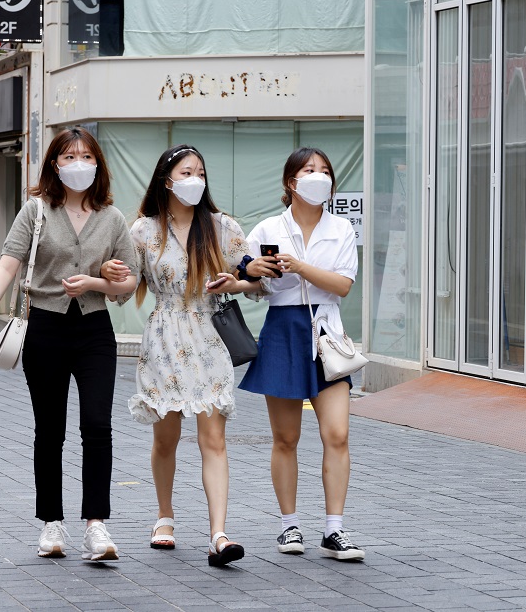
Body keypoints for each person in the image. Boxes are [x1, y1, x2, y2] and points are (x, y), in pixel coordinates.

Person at [0, 126, 138, 561]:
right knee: (50, 430)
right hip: (45, 327)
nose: (78, 164)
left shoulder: (113, 218)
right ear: (54, 165)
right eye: (68, 157)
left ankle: (96, 526)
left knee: (98, 425)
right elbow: (9, 263)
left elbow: (128, 284)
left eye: (85, 156)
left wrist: (101, 280)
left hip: (95, 328)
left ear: (97, 164)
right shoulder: (36, 210)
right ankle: (52, 523)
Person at [102, 144, 259, 567]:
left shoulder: (223, 227)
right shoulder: (144, 231)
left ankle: (219, 534)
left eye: (200, 172)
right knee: (166, 437)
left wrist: (237, 282)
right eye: (187, 171)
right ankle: (164, 516)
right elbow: (125, 284)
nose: (195, 179)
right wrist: (107, 275)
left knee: (214, 438)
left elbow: (254, 278)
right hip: (164, 337)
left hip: (209, 338)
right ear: (166, 180)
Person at [239, 146, 364, 561]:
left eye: (325, 170)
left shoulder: (341, 229)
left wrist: (298, 266)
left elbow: (343, 285)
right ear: (290, 182)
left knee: (337, 434)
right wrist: (245, 276)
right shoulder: (267, 228)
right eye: (310, 170)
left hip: (327, 335)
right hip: (282, 331)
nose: (319, 176)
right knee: (286, 438)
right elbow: (253, 283)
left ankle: (335, 529)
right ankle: (289, 526)